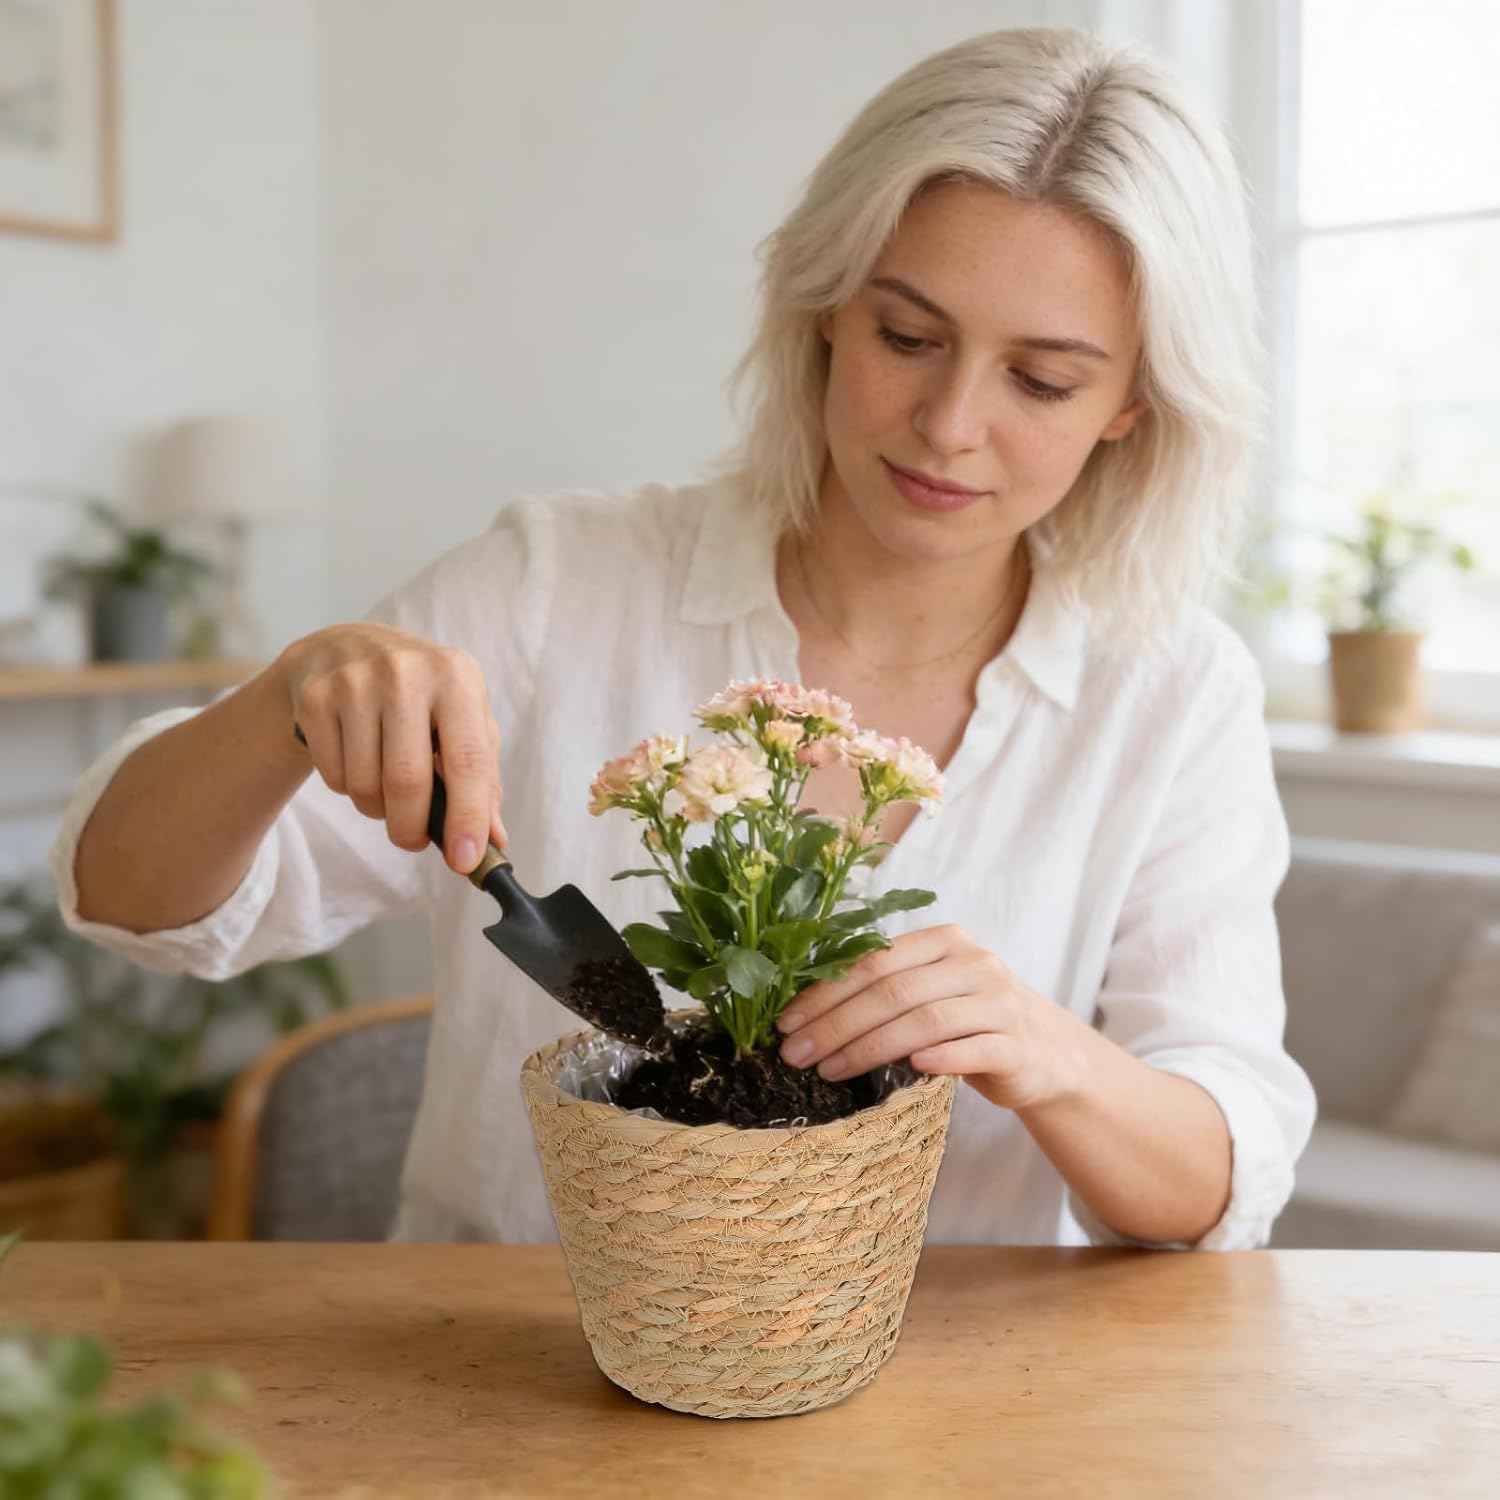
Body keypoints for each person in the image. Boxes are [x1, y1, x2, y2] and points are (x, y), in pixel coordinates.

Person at [53, 27, 1315, 1247]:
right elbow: (129, 902)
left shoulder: (1172, 692)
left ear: (1132, 405)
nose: (948, 424)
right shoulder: (552, 591)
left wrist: (1052, 1056)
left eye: (1041, 380)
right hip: (501, 1359)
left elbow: (1221, 1177)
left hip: (962, 1379)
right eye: (907, 336)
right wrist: (283, 701)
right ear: (825, 307)